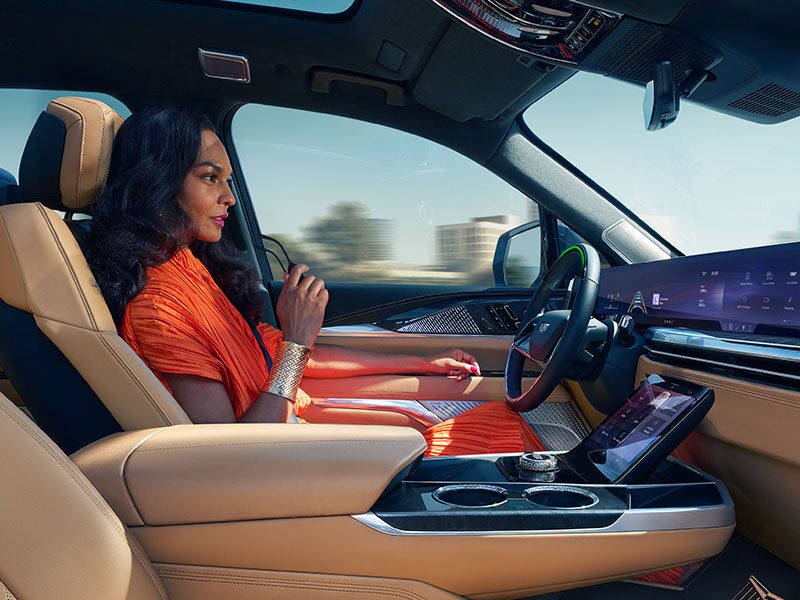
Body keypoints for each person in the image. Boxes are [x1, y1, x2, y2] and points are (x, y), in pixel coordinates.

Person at [86, 107, 545, 457]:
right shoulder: (159, 305)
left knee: (471, 426)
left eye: (227, 180)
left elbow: (290, 357)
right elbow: (229, 454)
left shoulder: (187, 269)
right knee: (500, 441)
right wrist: (296, 342)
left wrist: (423, 359)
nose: (228, 197)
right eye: (210, 178)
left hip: (290, 434)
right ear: (159, 182)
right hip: (278, 462)